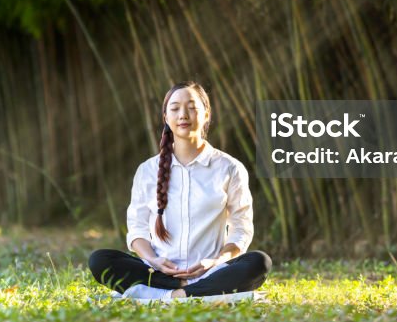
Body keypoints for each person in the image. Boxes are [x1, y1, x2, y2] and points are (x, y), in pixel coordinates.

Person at [88, 81, 272, 301]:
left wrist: (215, 262)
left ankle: (169, 296)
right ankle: (188, 292)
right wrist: (153, 261)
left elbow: (241, 229)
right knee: (100, 260)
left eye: (192, 107)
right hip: (158, 274)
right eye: (175, 108)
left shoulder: (229, 168)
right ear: (166, 117)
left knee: (259, 262)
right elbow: (136, 229)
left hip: (211, 272)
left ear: (206, 114)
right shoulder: (147, 170)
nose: (183, 114)